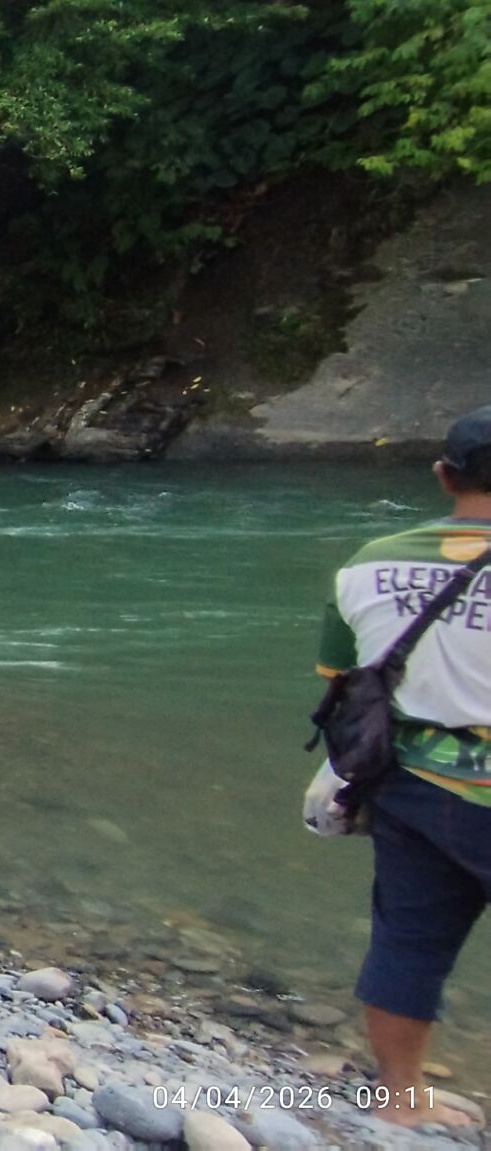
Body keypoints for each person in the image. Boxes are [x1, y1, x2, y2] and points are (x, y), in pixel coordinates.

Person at [305, 403, 491, 1130]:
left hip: (414, 786)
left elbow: (338, 675)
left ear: (443, 476)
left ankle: (402, 1097)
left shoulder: (368, 562)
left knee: (408, 943)